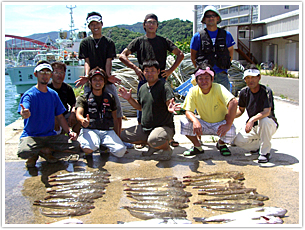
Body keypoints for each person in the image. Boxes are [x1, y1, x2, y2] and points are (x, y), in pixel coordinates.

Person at [119, 13, 184, 147]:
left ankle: (168, 138)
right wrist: (136, 69)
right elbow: (122, 55)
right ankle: (144, 136)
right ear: (144, 25)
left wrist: (170, 70)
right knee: (143, 107)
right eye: (148, 22)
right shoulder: (138, 41)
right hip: (144, 78)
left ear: (157, 25)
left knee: (167, 106)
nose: (151, 24)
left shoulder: (163, 40)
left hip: (161, 78)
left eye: (154, 22)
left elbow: (180, 54)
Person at [75, 11, 132, 148]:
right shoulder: (85, 43)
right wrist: (87, 77)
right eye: (92, 24)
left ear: (102, 24)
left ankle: (118, 139)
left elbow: (108, 61)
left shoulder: (108, 42)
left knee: (117, 110)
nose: (95, 26)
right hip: (91, 80)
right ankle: (84, 139)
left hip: (105, 78)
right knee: (85, 107)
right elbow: (87, 61)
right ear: (89, 27)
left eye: (97, 24)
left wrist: (107, 77)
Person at [17, 61, 80, 168]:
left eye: (47, 73)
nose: (44, 76)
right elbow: (24, 108)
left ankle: (43, 150)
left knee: (76, 146)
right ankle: (42, 152)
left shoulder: (53, 94)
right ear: (36, 74)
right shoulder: (29, 95)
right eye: (42, 72)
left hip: (50, 135)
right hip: (32, 136)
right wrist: (25, 113)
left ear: (50, 75)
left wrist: (69, 132)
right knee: (23, 152)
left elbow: (60, 116)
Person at [119, 60, 180, 161]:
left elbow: (170, 101)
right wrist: (129, 99)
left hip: (164, 127)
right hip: (146, 128)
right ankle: (153, 147)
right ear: (143, 72)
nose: (150, 73)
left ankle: (166, 149)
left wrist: (170, 106)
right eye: (147, 71)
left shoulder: (164, 86)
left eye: (152, 71)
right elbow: (140, 107)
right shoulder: (142, 88)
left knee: (155, 139)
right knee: (123, 135)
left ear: (158, 71)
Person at [180, 63, 238, 157]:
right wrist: (195, 121)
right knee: (184, 121)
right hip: (203, 124)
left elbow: (234, 102)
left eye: (207, 78)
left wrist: (228, 124)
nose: (204, 81)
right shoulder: (193, 91)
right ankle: (197, 147)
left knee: (231, 130)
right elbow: (188, 111)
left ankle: (221, 144)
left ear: (212, 79)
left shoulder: (218, 87)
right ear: (196, 80)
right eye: (201, 78)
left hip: (220, 124)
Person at [75, 67, 126, 158]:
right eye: (94, 80)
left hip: (106, 131)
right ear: (90, 82)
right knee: (89, 147)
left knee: (120, 151)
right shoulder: (83, 98)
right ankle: (87, 144)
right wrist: (82, 120)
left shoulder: (110, 97)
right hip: (90, 130)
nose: (98, 82)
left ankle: (103, 146)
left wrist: (117, 137)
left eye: (100, 79)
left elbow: (115, 118)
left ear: (104, 82)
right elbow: (78, 113)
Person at [233, 65, 278, 163]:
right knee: (237, 141)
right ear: (244, 79)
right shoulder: (244, 92)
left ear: (259, 78)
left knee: (264, 121)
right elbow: (240, 110)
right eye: (248, 78)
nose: (250, 80)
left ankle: (265, 153)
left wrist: (252, 120)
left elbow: (267, 112)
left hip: (268, 124)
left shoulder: (266, 91)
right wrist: (228, 116)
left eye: (253, 77)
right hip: (254, 126)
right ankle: (257, 146)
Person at [190, 5, 235, 91]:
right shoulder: (197, 36)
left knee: (224, 102)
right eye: (208, 16)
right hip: (205, 77)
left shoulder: (226, 35)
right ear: (204, 19)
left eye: (213, 16)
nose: (211, 18)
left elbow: (230, 54)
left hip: (222, 75)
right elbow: (193, 57)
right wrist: (202, 71)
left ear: (217, 18)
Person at [48, 61, 81, 134]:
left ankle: (73, 136)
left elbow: (73, 104)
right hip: (50, 116)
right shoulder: (47, 88)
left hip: (64, 115)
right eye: (56, 72)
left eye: (62, 72)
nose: (59, 75)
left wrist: (72, 113)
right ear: (51, 74)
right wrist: (54, 117)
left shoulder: (67, 88)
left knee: (80, 116)